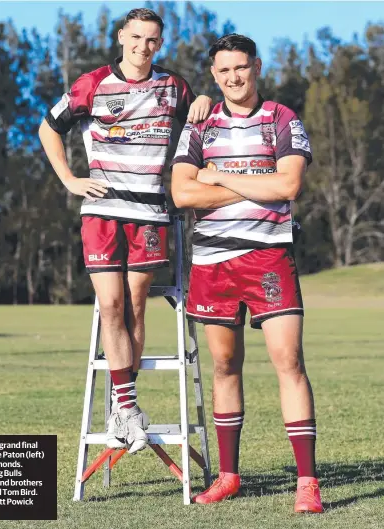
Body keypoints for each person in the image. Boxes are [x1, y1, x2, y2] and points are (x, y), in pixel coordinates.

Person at [39, 9, 211, 455]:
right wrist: (70, 180)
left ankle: (123, 409)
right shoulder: (92, 84)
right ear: (121, 37)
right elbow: (48, 128)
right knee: (111, 305)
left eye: (152, 40)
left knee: (135, 305)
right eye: (135, 37)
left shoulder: (174, 87)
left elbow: (202, 129)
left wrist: (206, 101)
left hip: (151, 214)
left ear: (160, 43)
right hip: (101, 212)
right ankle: (128, 409)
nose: (143, 47)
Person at [171, 34, 323, 513]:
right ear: (213, 75)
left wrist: (216, 177)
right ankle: (229, 476)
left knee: (289, 361)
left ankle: (307, 482)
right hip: (212, 261)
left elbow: (290, 183)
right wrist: (257, 189)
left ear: (256, 66)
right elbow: (182, 195)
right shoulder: (199, 127)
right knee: (223, 366)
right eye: (224, 71)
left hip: (269, 256)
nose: (234, 77)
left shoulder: (282, 119)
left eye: (241, 67)